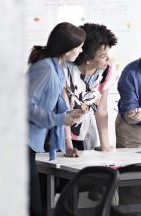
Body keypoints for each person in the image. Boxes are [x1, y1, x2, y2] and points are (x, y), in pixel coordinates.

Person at [27, 22, 86, 216]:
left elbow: (56, 100)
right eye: (79, 45)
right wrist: (60, 119)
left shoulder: (57, 67)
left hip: (30, 143)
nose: (81, 50)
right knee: (33, 206)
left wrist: (69, 114)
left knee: (37, 204)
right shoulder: (44, 68)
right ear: (67, 47)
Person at [63, 23, 117, 157]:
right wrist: (68, 147)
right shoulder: (64, 70)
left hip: (84, 131)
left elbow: (101, 110)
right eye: (103, 55)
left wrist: (105, 146)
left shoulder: (107, 70)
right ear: (87, 58)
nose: (108, 59)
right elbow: (63, 111)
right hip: (60, 132)